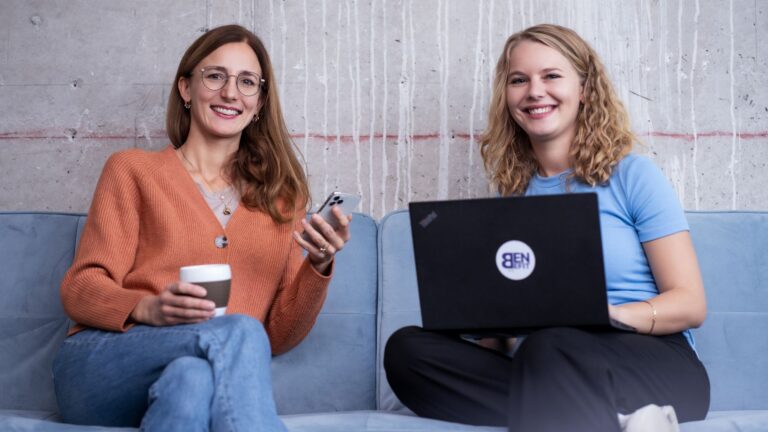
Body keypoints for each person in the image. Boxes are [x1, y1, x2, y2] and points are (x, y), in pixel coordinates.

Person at [384, 24, 709, 432]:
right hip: (545, 361)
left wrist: (612, 316)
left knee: (552, 344)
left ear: (585, 89)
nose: (534, 91)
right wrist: (487, 326)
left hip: (655, 360)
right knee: (408, 351)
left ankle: (581, 403)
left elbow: (691, 303)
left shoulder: (632, 175)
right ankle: (611, 417)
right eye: (519, 80)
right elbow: (511, 331)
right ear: (508, 96)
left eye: (551, 76)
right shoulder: (514, 198)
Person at [53, 24, 351, 431]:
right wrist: (146, 308)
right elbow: (80, 288)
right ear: (186, 89)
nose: (231, 93)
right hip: (105, 364)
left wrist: (317, 265)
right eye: (215, 76)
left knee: (191, 381)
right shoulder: (132, 170)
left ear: (260, 102)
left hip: (194, 369)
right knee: (239, 333)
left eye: (248, 82)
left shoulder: (282, 200)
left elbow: (277, 336)